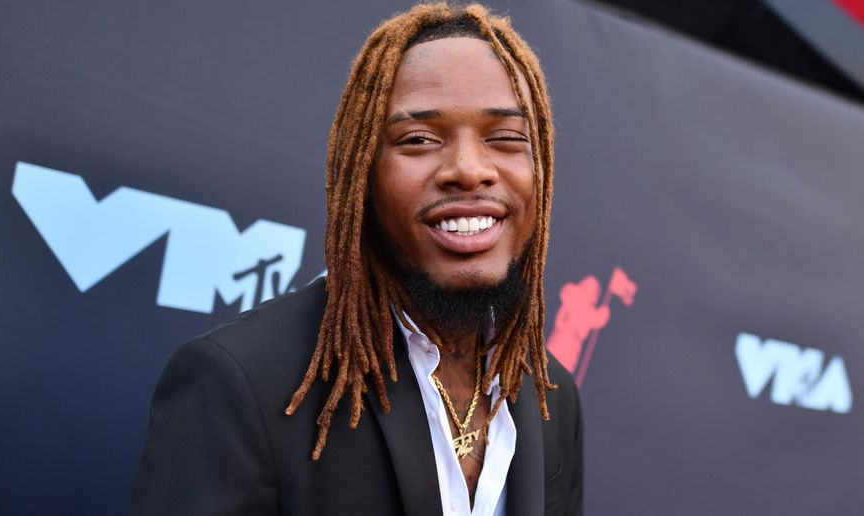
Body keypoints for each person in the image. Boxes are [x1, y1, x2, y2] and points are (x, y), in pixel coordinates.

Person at [129, 3, 583, 515]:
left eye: (505, 139)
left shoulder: (552, 395)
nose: (468, 170)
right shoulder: (244, 386)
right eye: (419, 140)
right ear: (362, 175)